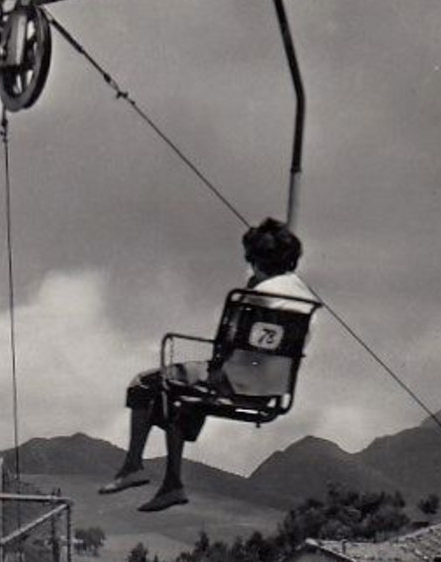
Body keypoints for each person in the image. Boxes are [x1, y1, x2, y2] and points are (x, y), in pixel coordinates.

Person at [100, 219, 317, 512]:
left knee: (142, 384)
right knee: (181, 399)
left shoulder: (258, 294)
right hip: (271, 387)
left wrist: (252, 288)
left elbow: (228, 340)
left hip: (232, 379)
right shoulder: (306, 299)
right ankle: (172, 485)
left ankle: (133, 466)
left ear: (255, 259)